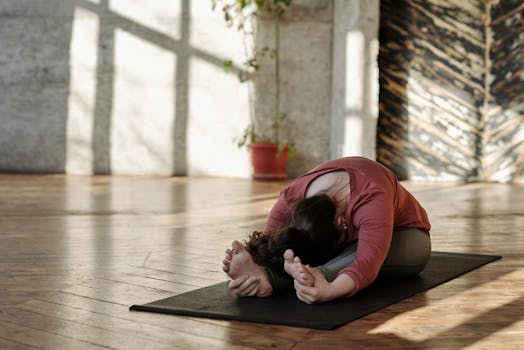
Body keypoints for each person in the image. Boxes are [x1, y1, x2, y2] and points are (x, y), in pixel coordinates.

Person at [222, 157, 431, 304]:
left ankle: (316, 276)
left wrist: (329, 290)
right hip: (343, 247)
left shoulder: (372, 197)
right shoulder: (292, 196)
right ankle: (272, 278)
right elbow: (271, 242)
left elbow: (367, 262)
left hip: (408, 237)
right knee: (302, 246)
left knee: (358, 252)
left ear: (341, 222)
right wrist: (258, 272)